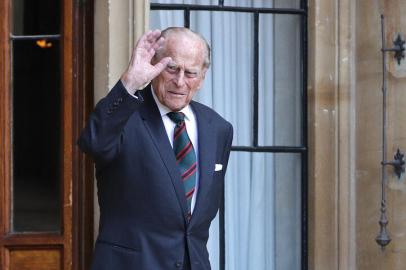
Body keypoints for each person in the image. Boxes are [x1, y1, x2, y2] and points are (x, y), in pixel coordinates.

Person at [78, 27, 233, 270]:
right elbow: (93, 143)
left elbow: (194, 222)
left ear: (202, 78)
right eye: (171, 68)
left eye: (191, 72)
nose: (180, 82)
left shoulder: (218, 129)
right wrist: (130, 81)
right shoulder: (126, 116)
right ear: (154, 64)